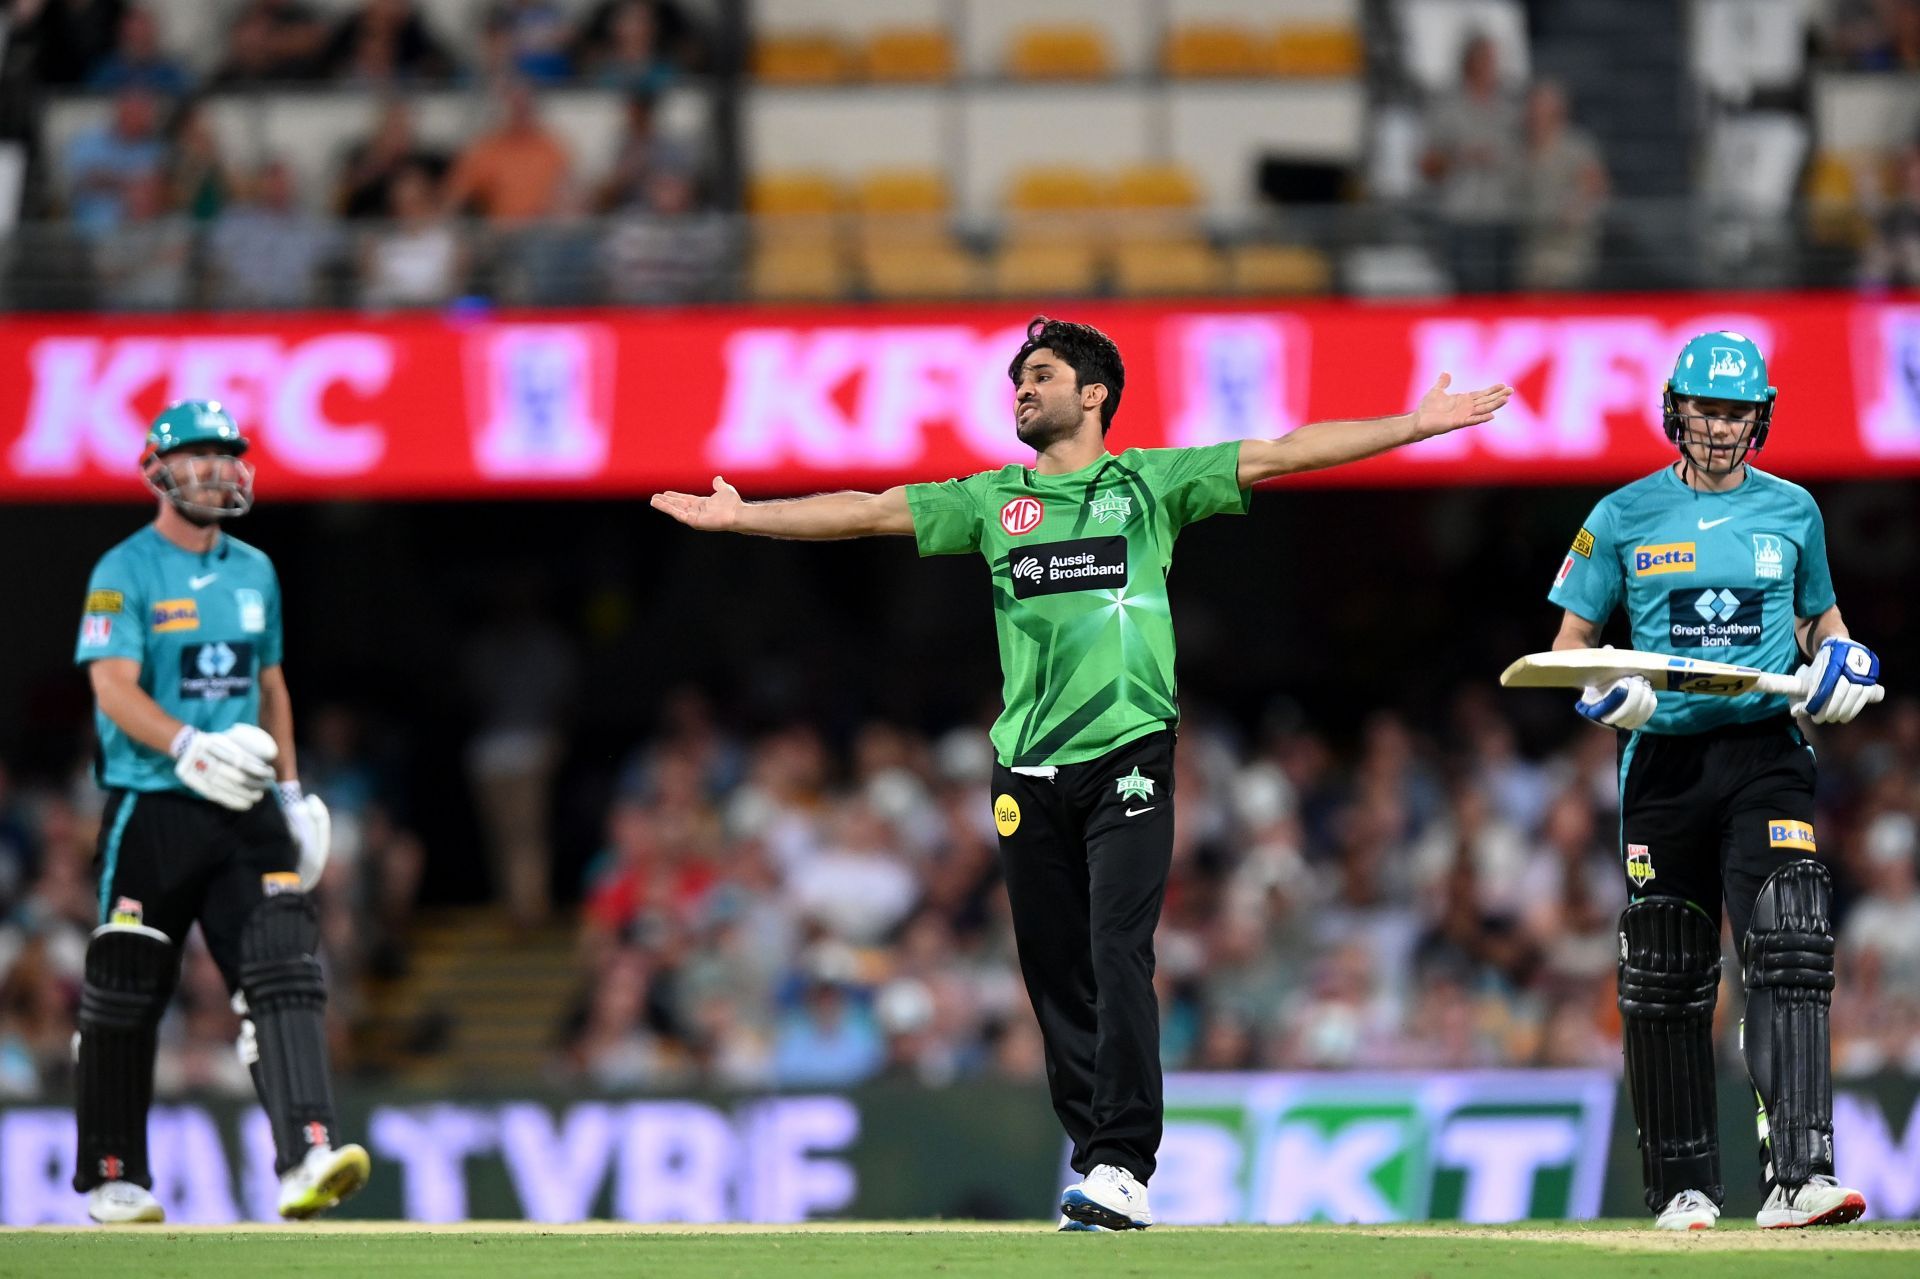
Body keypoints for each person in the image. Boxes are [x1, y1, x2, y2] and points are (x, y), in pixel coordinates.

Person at [652, 316, 1510, 1231]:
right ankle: (1097, 1162)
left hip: (1128, 757)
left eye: (1042, 374)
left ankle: (1124, 1161)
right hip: (1026, 772)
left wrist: (1412, 426)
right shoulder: (992, 501)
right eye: (1018, 378)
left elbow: (1285, 453)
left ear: (1093, 392)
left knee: (1116, 950)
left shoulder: (1149, 485)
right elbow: (867, 508)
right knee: (1055, 973)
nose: (1022, 389)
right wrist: (744, 516)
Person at [1545, 331, 1881, 1231]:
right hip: (1664, 758)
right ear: (1676, 410)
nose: (1722, 427)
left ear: (1759, 415)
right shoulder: (1620, 516)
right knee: (1665, 970)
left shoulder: (1795, 511)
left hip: (1765, 749)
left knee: (1790, 942)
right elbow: (1572, 646)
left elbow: (1821, 620)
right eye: (1707, 408)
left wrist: (1840, 657)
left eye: (1737, 410)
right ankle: (1684, 1187)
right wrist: (1604, 692)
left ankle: (1800, 1175)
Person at [71, 401, 369, 1223]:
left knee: (285, 965)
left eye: (224, 454)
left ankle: (306, 1153)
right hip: (156, 802)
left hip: (244, 804)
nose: (213, 469)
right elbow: (112, 686)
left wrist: (290, 791)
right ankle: (113, 1171)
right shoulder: (123, 569)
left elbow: (270, 686)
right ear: (158, 469)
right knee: (126, 984)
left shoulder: (256, 570)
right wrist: (185, 747)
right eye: (195, 455)